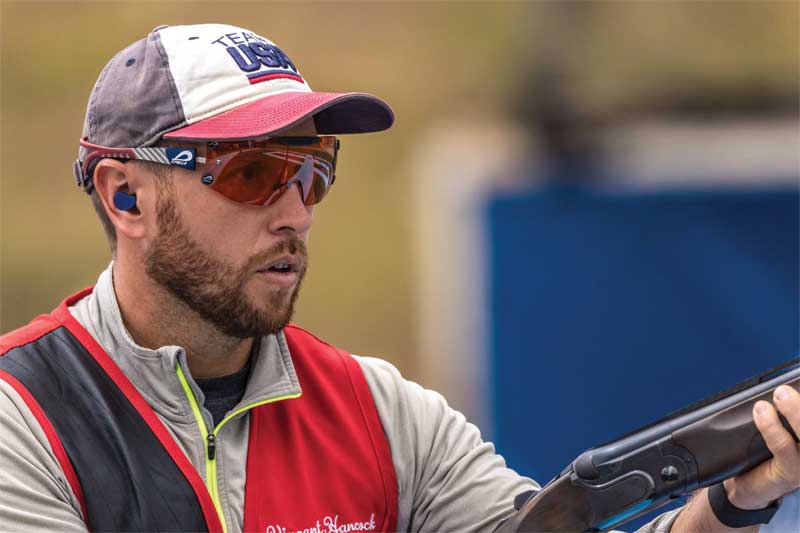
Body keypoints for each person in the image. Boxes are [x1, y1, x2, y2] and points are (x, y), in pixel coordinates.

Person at [0, 23, 796, 533]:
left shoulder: (378, 410)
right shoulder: (22, 414)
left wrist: (735, 498)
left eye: (313, 173)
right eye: (253, 174)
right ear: (127, 195)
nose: (296, 213)